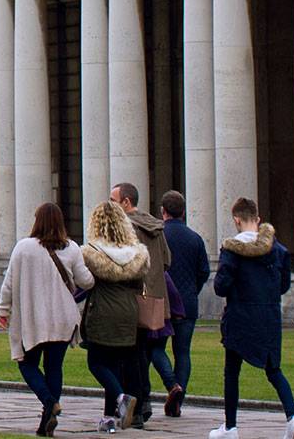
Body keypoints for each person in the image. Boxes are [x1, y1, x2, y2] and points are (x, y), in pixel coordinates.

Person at [0, 202, 94, 437]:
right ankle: (46, 420)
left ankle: (49, 403)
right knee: (54, 367)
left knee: (27, 363)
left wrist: (3, 308)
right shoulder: (71, 248)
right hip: (63, 318)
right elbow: (87, 282)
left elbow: (9, 283)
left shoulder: (23, 247)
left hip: (33, 317)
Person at [212, 197, 294, 439]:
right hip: (269, 315)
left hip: (240, 315)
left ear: (237, 220)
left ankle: (230, 427)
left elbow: (221, 287)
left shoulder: (232, 250)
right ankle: (293, 417)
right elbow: (283, 285)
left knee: (232, 371)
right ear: (258, 219)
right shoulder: (279, 250)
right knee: (274, 370)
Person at [82, 199, 148, 434]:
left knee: (97, 363)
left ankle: (122, 399)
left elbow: (84, 283)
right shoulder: (137, 254)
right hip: (129, 312)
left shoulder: (91, 253)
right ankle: (109, 419)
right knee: (119, 363)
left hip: (103, 310)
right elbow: (140, 284)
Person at [111, 182, 170, 429]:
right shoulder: (156, 226)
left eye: (114, 200)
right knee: (141, 353)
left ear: (126, 202)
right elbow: (167, 260)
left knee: (128, 357)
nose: (111, 205)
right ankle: (144, 402)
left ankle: (135, 408)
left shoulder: (128, 227)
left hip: (129, 299)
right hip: (153, 300)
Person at [152, 190, 211, 418]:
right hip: (187, 303)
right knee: (183, 352)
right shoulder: (194, 237)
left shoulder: (157, 235)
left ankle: (171, 386)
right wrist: (191, 290)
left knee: (155, 348)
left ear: (162, 211)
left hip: (162, 302)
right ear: (184, 211)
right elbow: (204, 271)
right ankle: (178, 399)